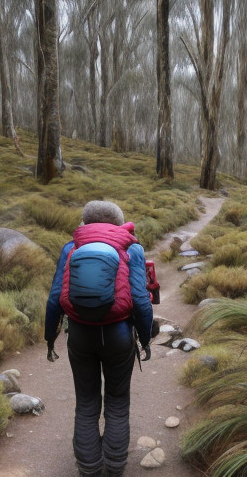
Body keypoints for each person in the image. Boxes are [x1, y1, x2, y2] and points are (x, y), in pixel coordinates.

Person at [45, 200, 154, 477]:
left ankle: (90, 470)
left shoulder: (72, 248)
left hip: (80, 334)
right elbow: (141, 300)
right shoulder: (133, 248)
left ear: (85, 222)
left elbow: (55, 298)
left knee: (86, 402)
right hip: (119, 335)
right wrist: (144, 340)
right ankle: (115, 468)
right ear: (120, 223)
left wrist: (50, 338)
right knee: (117, 402)